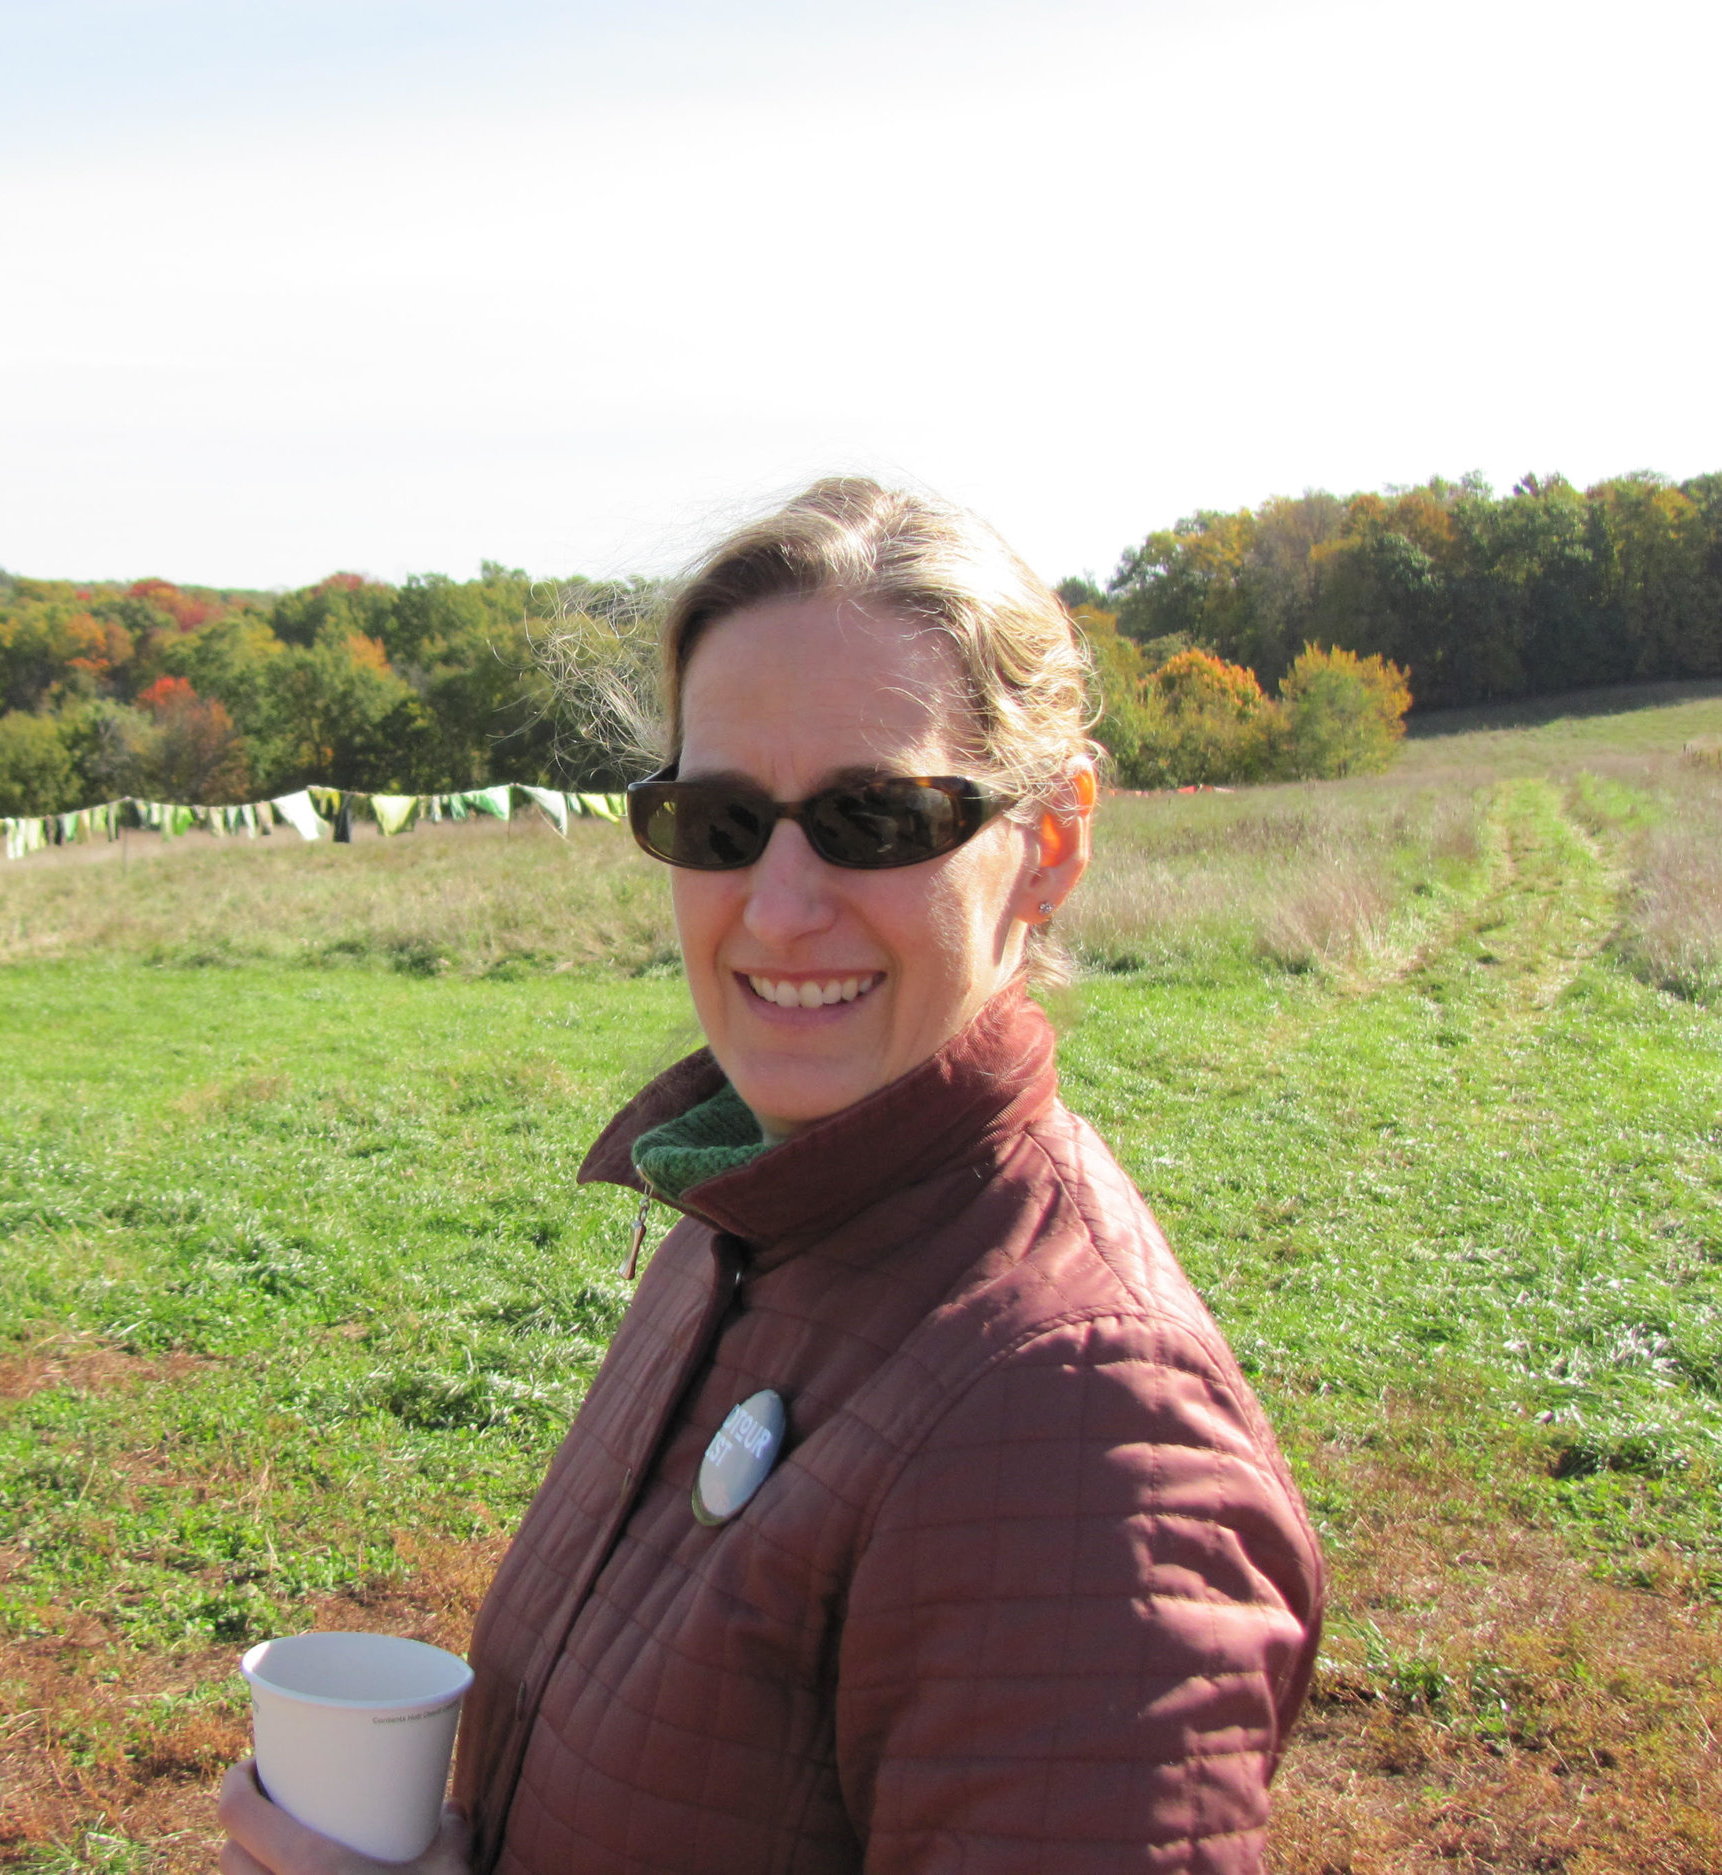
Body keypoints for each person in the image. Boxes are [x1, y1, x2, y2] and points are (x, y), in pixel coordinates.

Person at [220, 479, 1325, 1874]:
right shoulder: (750, 1213)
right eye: (721, 822)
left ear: (1050, 843)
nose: (783, 906)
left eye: (877, 817)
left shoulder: (1086, 1426)